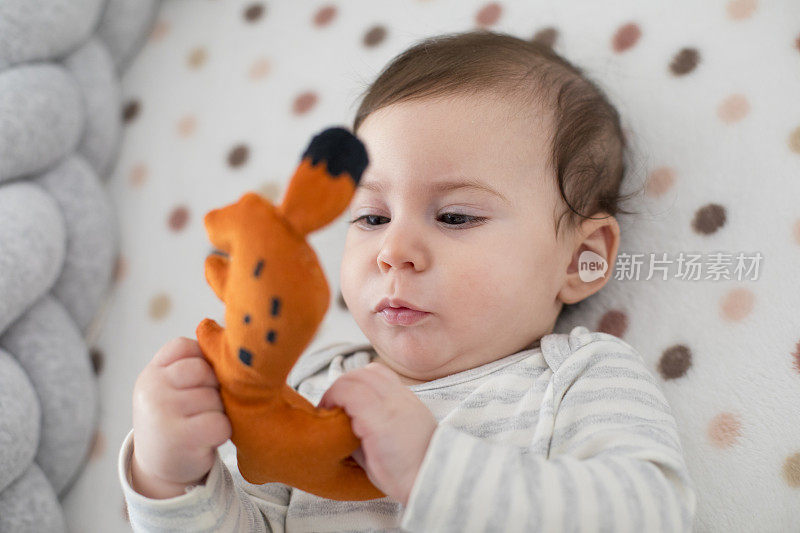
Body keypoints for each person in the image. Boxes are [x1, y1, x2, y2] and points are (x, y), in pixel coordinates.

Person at [118, 29, 696, 532]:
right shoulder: (313, 386)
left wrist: (432, 469)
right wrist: (171, 478)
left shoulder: (578, 378)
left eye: (455, 217)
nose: (393, 252)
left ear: (580, 259)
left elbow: (654, 513)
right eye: (371, 218)